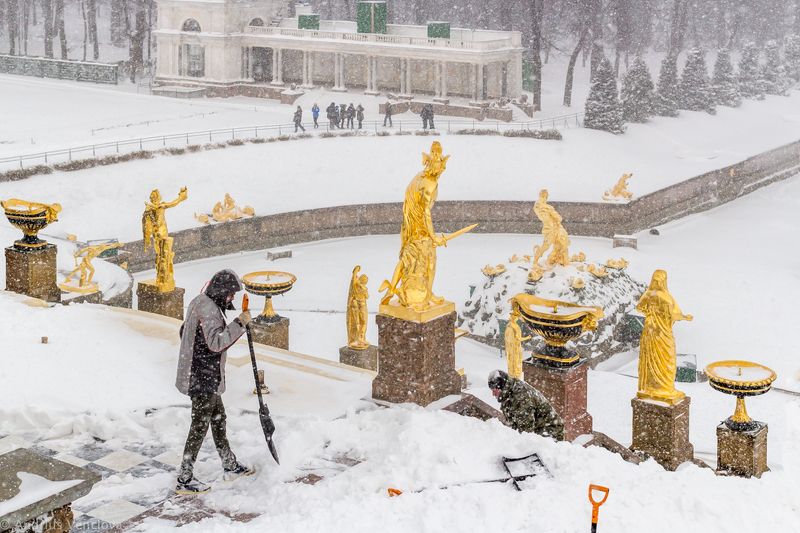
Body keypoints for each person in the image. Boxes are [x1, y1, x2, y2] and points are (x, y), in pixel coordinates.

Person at [174, 269, 255, 494]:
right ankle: (185, 478)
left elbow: (184, 331)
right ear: (221, 291)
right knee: (199, 426)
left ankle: (229, 464)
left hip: (204, 374)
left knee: (218, 418)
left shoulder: (200, 301)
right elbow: (216, 343)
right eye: (230, 294)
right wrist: (240, 323)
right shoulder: (209, 310)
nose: (232, 298)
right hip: (201, 378)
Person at [488, 370, 565, 440]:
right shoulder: (508, 391)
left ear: (502, 387)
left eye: (495, 390)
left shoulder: (521, 398)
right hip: (537, 429)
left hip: (550, 432)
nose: (493, 394)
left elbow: (526, 433)